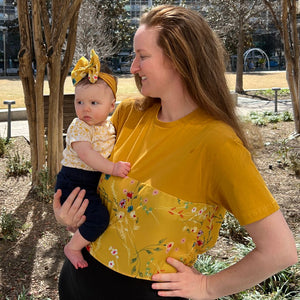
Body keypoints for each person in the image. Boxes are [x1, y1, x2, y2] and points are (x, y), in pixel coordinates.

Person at [53, 5, 297, 300]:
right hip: (77, 282)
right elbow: (84, 176)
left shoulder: (217, 144)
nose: (133, 68)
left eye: (142, 57)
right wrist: (70, 214)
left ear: (181, 61)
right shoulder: (127, 115)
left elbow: (279, 251)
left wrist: (208, 287)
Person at [55, 49, 131, 270]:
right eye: (80, 102)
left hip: (89, 180)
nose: (85, 108)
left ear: (111, 106)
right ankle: (73, 247)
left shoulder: (108, 126)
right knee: (99, 217)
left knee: (91, 215)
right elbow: (87, 155)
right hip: (74, 180)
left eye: (94, 103)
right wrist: (113, 168)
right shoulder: (79, 126)